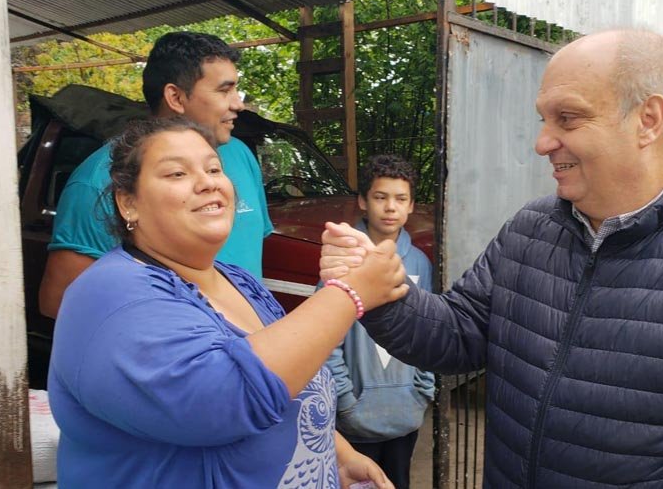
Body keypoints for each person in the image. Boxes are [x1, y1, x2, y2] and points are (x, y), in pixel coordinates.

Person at [320, 28, 663, 487]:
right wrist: (382, 294)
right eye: (543, 120)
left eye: (567, 118)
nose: (542, 142)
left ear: (647, 120)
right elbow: (459, 333)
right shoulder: (531, 228)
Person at [48, 117, 408, 488]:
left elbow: (289, 377)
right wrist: (348, 294)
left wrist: (337, 455)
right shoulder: (109, 295)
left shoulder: (238, 280)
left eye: (214, 168)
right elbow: (226, 399)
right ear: (128, 203)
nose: (208, 182)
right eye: (176, 174)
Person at [38, 31, 272, 318]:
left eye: (212, 170)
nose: (238, 104)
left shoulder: (240, 156)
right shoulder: (98, 179)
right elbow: (61, 302)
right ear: (175, 96)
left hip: (256, 350)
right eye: (224, 90)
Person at [324, 155, 434, 489]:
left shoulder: (420, 263)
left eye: (400, 199)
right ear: (362, 201)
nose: (390, 207)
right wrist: (346, 402)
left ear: (411, 206)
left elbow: (428, 331)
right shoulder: (343, 259)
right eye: (380, 197)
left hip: (405, 414)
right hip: (357, 419)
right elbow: (327, 339)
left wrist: (423, 391)